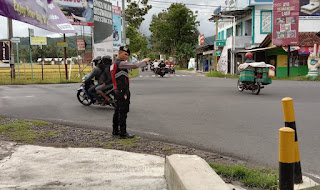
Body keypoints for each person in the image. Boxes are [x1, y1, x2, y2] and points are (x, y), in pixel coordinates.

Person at [110, 46, 150, 139]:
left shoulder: (114, 63)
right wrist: (144, 61)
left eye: (128, 55)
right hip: (121, 90)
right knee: (123, 111)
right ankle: (123, 133)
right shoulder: (120, 63)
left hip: (116, 89)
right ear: (119, 53)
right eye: (125, 54)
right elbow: (134, 65)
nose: (126, 56)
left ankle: (115, 130)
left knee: (117, 111)